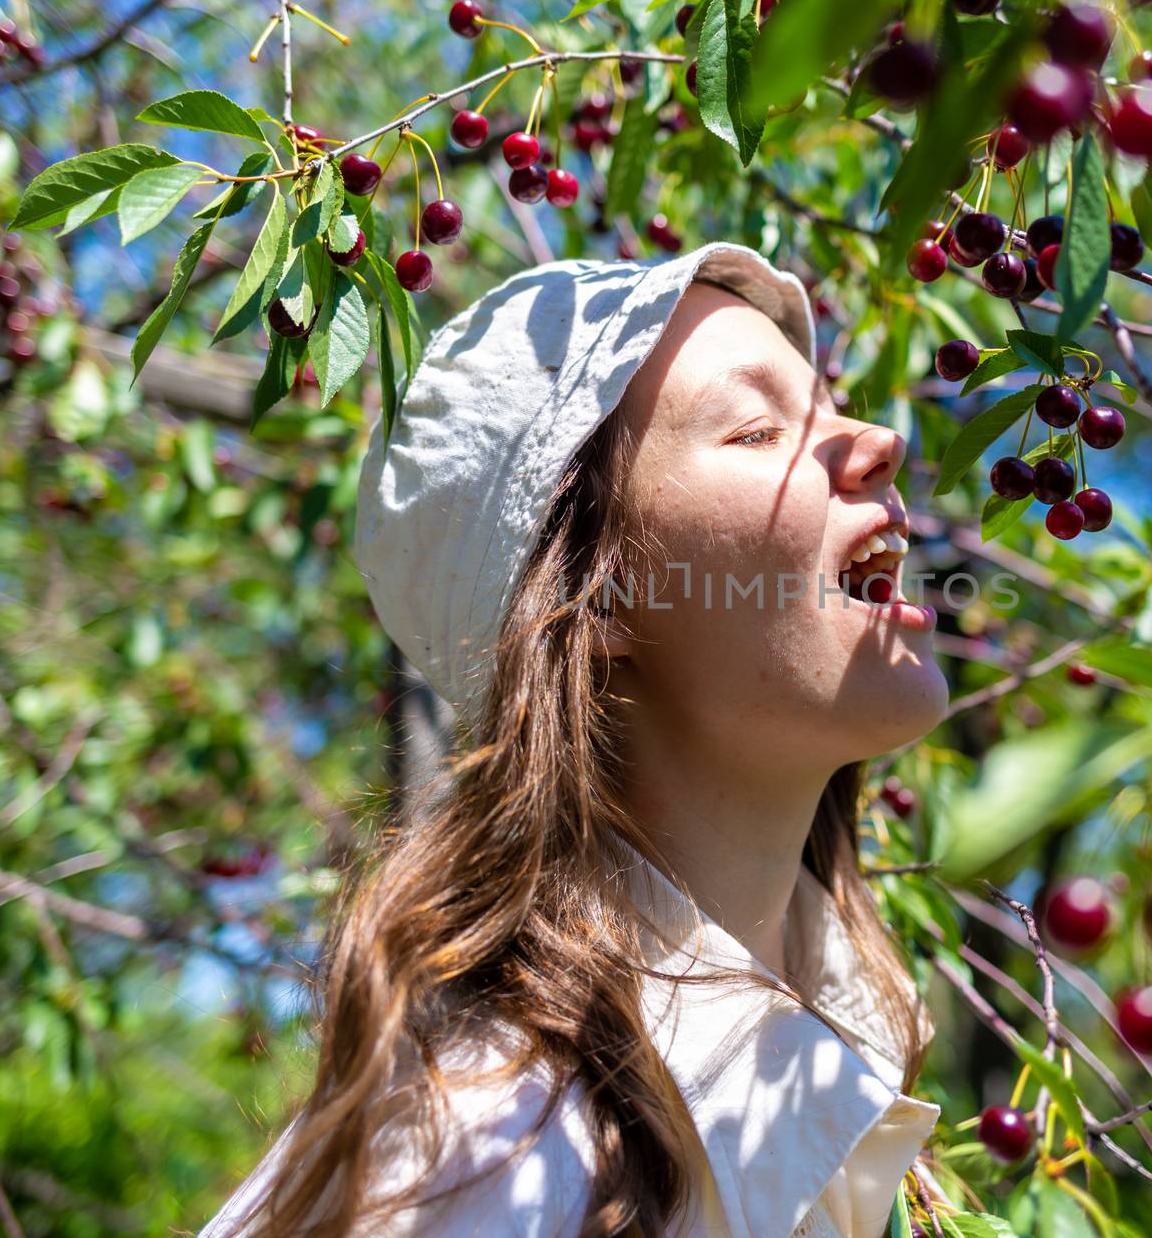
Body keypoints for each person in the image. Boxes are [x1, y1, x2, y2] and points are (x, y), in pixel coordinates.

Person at [198, 241, 951, 1237]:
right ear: (596, 601)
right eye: (759, 427)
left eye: (828, 402)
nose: (878, 441)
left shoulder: (852, 1068)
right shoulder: (483, 1157)